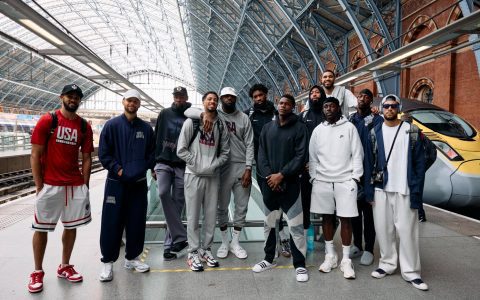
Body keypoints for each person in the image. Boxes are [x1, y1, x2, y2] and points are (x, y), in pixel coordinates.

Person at [29, 84, 94, 293]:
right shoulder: (48, 120)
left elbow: (86, 158)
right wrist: (39, 185)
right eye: (70, 96)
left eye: (77, 97)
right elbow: (35, 155)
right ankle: (37, 271)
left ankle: (64, 266)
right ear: (61, 97)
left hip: (74, 185)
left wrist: (84, 186)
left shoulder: (84, 126)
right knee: (41, 228)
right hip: (50, 185)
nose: (73, 99)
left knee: (71, 226)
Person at [364, 94, 428, 291]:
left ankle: (411, 272)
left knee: (408, 232)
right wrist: (368, 192)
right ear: (382, 109)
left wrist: (417, 190)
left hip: (405, 189)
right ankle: (387, 264)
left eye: (393, 106)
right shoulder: (374, 132)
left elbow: (420, 164)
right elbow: (368, 162)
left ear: (398, 108)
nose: (390, 109)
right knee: (384, 230)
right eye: (386, 106)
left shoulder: (412, 131)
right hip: (381, 188)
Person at [98, 89, 155, 282]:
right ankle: (107, 262)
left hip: (138, 184)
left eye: (136, 101)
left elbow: (151, 154)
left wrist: (143, 168)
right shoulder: (111, 126)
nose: (132, 104)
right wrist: (118, 170)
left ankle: (132, 258)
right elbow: (104, 154)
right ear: (123, 102)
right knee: (111, 223)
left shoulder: (146, 129)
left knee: (136, 222)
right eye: (129, 100)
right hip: (116, 183)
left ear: (139, 105)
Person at [252, 94, 309, 282]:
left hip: (291, 185)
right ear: (277, 106)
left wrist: (282, 175)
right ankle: (269, 259)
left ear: (293, 107)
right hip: (270, 184)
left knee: (296, 225)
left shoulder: (300, 128)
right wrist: (270, 177)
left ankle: (299, 264)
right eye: (281, 103)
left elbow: (301, 156)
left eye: (287, 104)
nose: (283, 106)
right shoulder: (268, 128)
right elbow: (261, 155)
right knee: (269, 224)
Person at [309, 97, 363, 279]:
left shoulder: (349, 128)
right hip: (322, 181)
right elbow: (313, 157)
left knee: (346, 219)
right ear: (322, 109)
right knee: (326, 218)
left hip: (345, 180)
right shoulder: (318, 130)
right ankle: (330, 255)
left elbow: (357, 154)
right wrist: (314, 178)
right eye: (326, 106)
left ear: (338, 108)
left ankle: (346, 260)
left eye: (332, 106)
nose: (329, 109)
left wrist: (355, 178)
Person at [177, 91, 230, 272]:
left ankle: (205, 249)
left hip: (212, 177)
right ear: (203, 102)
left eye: (215, 99)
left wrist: (213, 165)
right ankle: (192, 252)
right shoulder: (191, 122)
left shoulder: (221, 126)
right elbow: (181, 150)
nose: (212, 101)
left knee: (210, 217)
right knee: (192, 216)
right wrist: (197, 163)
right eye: (209, 99)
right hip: (193, 175)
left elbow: (225, 152)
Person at [244, 84, 290, 257]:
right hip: (262, 166)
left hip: (279, 166)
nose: (258, 99)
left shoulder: (276, 111)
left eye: (261, 95)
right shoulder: (248, 114)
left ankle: (283, 237)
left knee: (281, 203)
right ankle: (272, 242)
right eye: (255, 96)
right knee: (269, 203)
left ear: (266, 94)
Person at [153, 86, 191, 261]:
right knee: (162, 193)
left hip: (182, 165)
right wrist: (152, 164)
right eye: (176, 96)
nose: (179, 99)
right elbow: (156, 137)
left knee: (178, 203)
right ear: (173, 97)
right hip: (163, 161)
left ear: (186, 97)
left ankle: (169, 246)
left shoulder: (191, 115)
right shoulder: (164, 113)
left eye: (182, 96)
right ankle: (181, 237)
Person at [348, 89, 383, 266]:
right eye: (360, 96)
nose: (362, 99)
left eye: (366, 97)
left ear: (371, 101)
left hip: (370, 171)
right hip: (353, 172)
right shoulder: (350, 120)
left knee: (369, 213)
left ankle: (369, 248)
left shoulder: (377, 120)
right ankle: (357, 245)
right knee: (354, 212)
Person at [299, 85, 326, 233]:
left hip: (327, 166)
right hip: (307, 166)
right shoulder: (304, 115)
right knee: (305, 200)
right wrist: (304, 161)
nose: (314, 95)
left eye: (317, 92)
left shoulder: (329, 113)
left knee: (327, 202)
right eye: (312, 93)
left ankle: (327, 235)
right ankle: (306, 233)